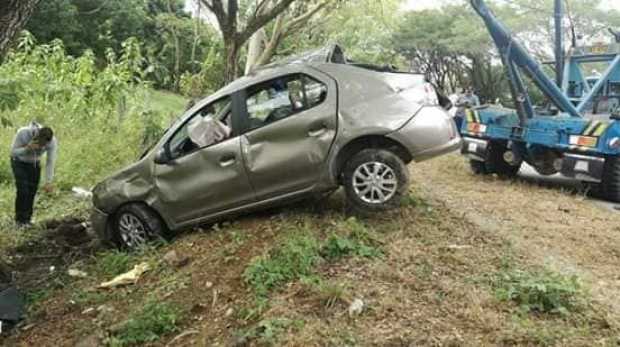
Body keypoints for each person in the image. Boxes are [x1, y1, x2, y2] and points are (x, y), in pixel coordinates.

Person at [10, 122, 58, 227]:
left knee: (32, 191)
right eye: (39, 144)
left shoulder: (52, 142)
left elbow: (50, 162)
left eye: (44, 145)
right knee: (23, 190)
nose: (41, 147)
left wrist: (48, 182)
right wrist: (27, 148)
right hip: (19, 162)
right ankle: (19, 220)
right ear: (35, 136)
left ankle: (27, 219)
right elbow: (13, 152)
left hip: (34, 164)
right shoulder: (23, 133)